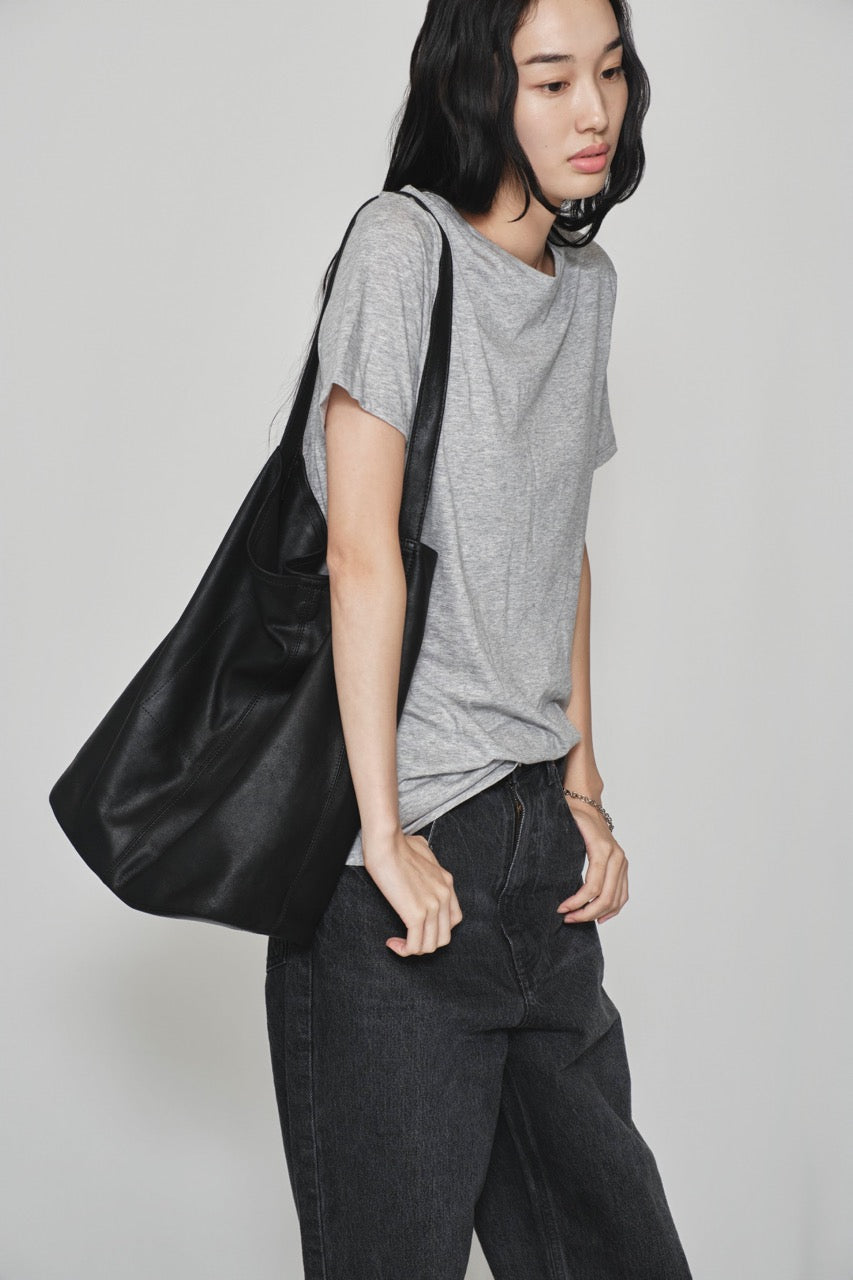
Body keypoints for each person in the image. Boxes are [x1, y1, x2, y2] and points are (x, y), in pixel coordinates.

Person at [265, 0, 694, 1275]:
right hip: (398, 871)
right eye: (551, 79)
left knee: (614, 1247)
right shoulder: (402, 248)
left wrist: (584, 787)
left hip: (535, 856)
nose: (593, 110)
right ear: (478, 85)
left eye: (609, 72)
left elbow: (560, 545)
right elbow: (359, 551)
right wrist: (384, 833)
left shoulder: (587, 287)